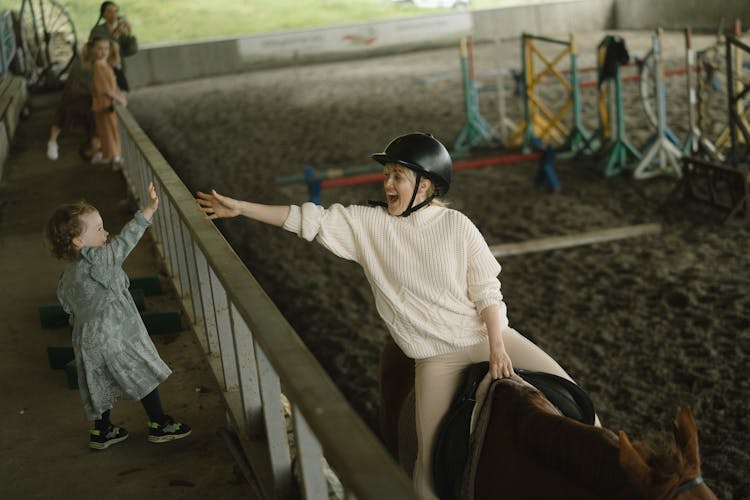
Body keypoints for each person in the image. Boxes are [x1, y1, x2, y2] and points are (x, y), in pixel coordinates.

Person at [196, 133, 590, 499]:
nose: (387, 184)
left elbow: (487, 291)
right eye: (386, 175)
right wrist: (242, 208)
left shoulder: (458, 226)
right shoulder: (369, 225)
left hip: (490, 338)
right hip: (437, 358)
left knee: (583, 409)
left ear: (424, 185)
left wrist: (499, 345)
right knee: (427, 472)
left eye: (397, 176)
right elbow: (306, 219)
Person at [45, 182, 191, 450]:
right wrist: (148, 210)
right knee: (140, 371)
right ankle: (159, 423)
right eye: (99, 228)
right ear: (78, 241)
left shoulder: (66, 275)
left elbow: (68, 306)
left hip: (86, 339)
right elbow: (126, 241)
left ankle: (102, 431)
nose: (106, 231)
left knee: (99, 382)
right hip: (116, 334)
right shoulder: (100, 260)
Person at [45, 48, 99, 162]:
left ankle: (52, 142)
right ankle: (52, 142)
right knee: (66, 110)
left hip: (83, 95)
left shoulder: (88, 66)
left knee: (66, 111)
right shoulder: (83, 68)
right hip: (81, 94)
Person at [90, 36, 126, 166]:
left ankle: (114, 154)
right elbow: (106, 89)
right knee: (109, 130)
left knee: (112, 129)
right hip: (104, 105)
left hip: (108, 103)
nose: (103, 51)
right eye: (99, 48)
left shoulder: (105, 64)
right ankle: (114, 156)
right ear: (93, 50)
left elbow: (113, 85)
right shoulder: (98, 67)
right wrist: (119, 99)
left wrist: (119, 95)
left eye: (106, 48)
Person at [90, 1, 138, 92]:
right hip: (103, 69)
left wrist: (130, 32)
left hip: (118, 68)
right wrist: (116, 35)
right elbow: (102, 52)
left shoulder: (119, 30)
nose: (113, 15)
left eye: (116, 11)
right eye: (109, 12)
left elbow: (132, 50)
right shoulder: (97, 31)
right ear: (103, 14)